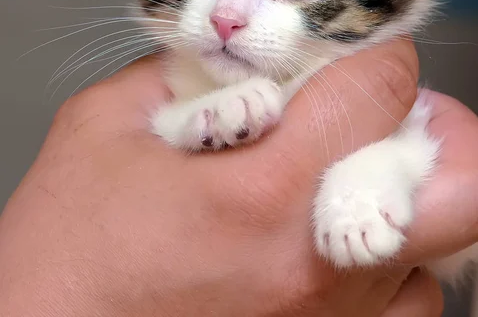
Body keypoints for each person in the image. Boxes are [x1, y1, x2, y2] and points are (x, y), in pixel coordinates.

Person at [1, 39, 477, 316]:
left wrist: (365, 185)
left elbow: (446, 251)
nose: (228, 18)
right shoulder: (170, 88)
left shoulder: (369, 95)